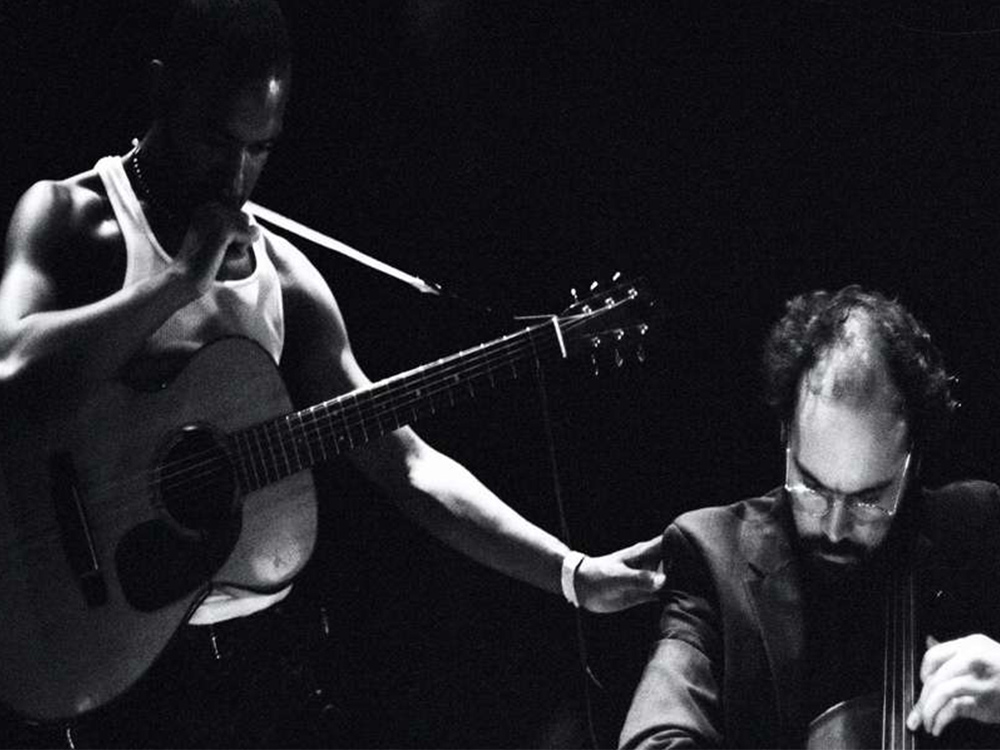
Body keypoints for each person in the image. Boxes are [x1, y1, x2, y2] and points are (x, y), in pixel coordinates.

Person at [0, 1, 664, 746]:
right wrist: (178, 282)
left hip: (265, 672)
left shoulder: (285, 277)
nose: (236, 175)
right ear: (162, 90)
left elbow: (406, 463)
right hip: (117, 675)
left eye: (261, 150)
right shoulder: (69, 215)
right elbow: (15, 378)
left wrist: (573, 573)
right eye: (219, 140)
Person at [619, 285, 1000, 749]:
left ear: (911, 461)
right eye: (812, 488)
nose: (836, 527)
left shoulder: (976, 529)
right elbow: (655, 735)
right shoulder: (712, 555)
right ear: (786, 437)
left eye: (869, 499)